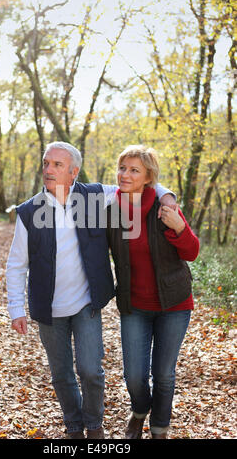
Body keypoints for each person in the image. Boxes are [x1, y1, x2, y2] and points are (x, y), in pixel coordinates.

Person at [6, 141, 176, 439]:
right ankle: (75, 428)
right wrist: (16, 309)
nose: (49, 169)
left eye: (57, 165)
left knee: (91, 371)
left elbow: (135, 183)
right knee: (61, 375)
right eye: (46, 163)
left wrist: (168, 196)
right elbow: (16, 265)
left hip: (86, 303)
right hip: (49, 310)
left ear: (74, 172)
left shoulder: (93, 196)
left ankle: (94, 426)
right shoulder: (29, 212)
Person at [106, 145, 199, 440]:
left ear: (148, 178)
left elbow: (192, 251)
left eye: (134, 170)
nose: (125, 174)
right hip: (134, 305)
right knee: (134, 376)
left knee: (164, 375)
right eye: (123, 168)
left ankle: (159, 428)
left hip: (174, 302)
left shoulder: (165, 207)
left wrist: (180, 228)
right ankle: (139, 410)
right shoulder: (111, 210)